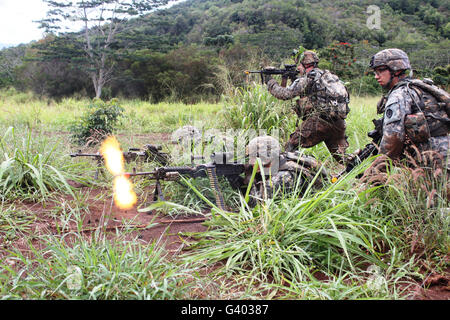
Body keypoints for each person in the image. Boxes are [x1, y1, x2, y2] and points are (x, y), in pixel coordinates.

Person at [363, 48, 449, 178]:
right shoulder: (419, 88)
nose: (376, 76)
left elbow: (393, 139)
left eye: (381, 70)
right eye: (375, 72)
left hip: (433, 163)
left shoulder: (399, 95)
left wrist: (373, 174)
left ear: (396, 70)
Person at [264, 50, 350, 163]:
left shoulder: (309, 78)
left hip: (319, 122)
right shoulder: (327, 76)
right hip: (338, 123)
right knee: (342, 157)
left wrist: (270, 81)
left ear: (305, 64)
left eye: (299, 65)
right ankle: (358, 174)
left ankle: (286, 173)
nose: (298, 68)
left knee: (291, 145)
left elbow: (284, 94)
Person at [244, 136, 326, 202]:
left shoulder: (282, 177)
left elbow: (255, 203)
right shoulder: (283, 157)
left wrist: (247, 180)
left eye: (254, 158)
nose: (251, 162)